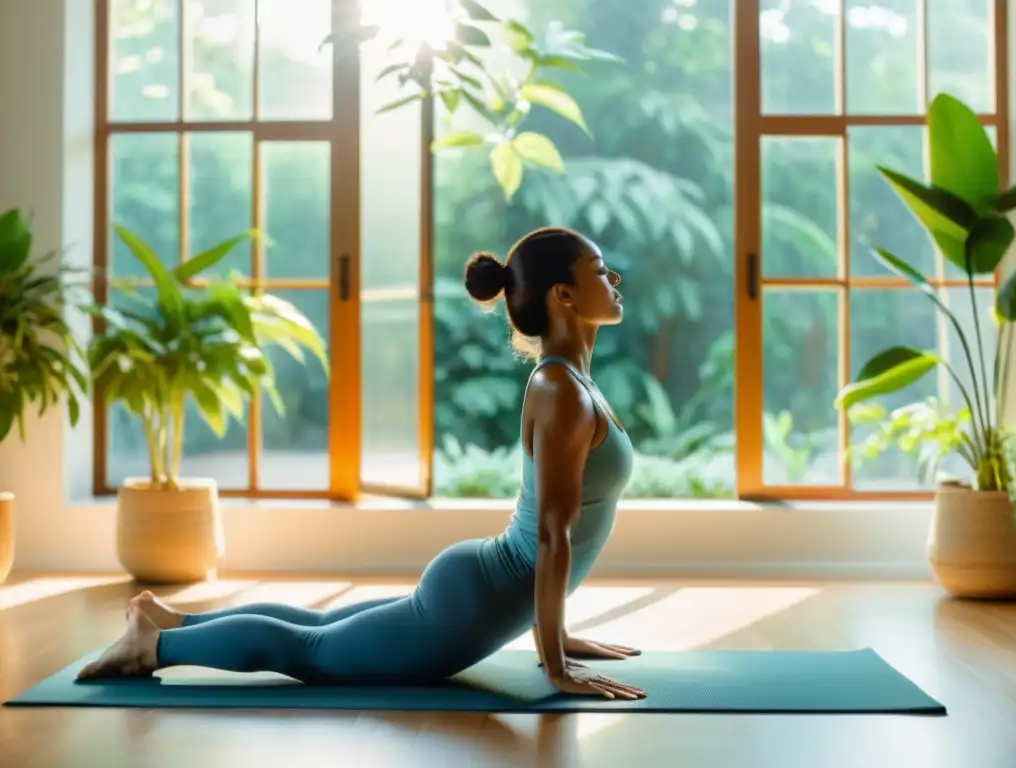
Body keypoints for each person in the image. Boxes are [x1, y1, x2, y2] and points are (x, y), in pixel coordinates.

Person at [77, 226, 646, 701]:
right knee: (314, 652)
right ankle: (151, 647)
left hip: (483, 589)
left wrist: (560, 635)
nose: (613, 279)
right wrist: (554, 664)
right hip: (475, 602)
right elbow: (552, 535)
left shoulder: (571, 382)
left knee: (322, 628)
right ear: (562, 296)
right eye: (598, 270)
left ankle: (168, 620)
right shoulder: (561, 391)